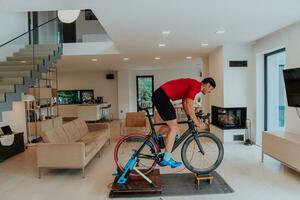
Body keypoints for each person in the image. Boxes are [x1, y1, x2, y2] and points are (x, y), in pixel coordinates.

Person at [152, 77, 216, 168]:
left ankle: (155, 139)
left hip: (161, 96)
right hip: (162, 97)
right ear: (207, 85)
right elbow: (189, 105)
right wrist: (197, 123)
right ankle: (166, 158)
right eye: (211, 89)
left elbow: (185, 103)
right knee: (174, 128)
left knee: (173, 126)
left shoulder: (194, 85)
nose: (210, 92)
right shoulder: (197, 86)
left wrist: (189, 117)